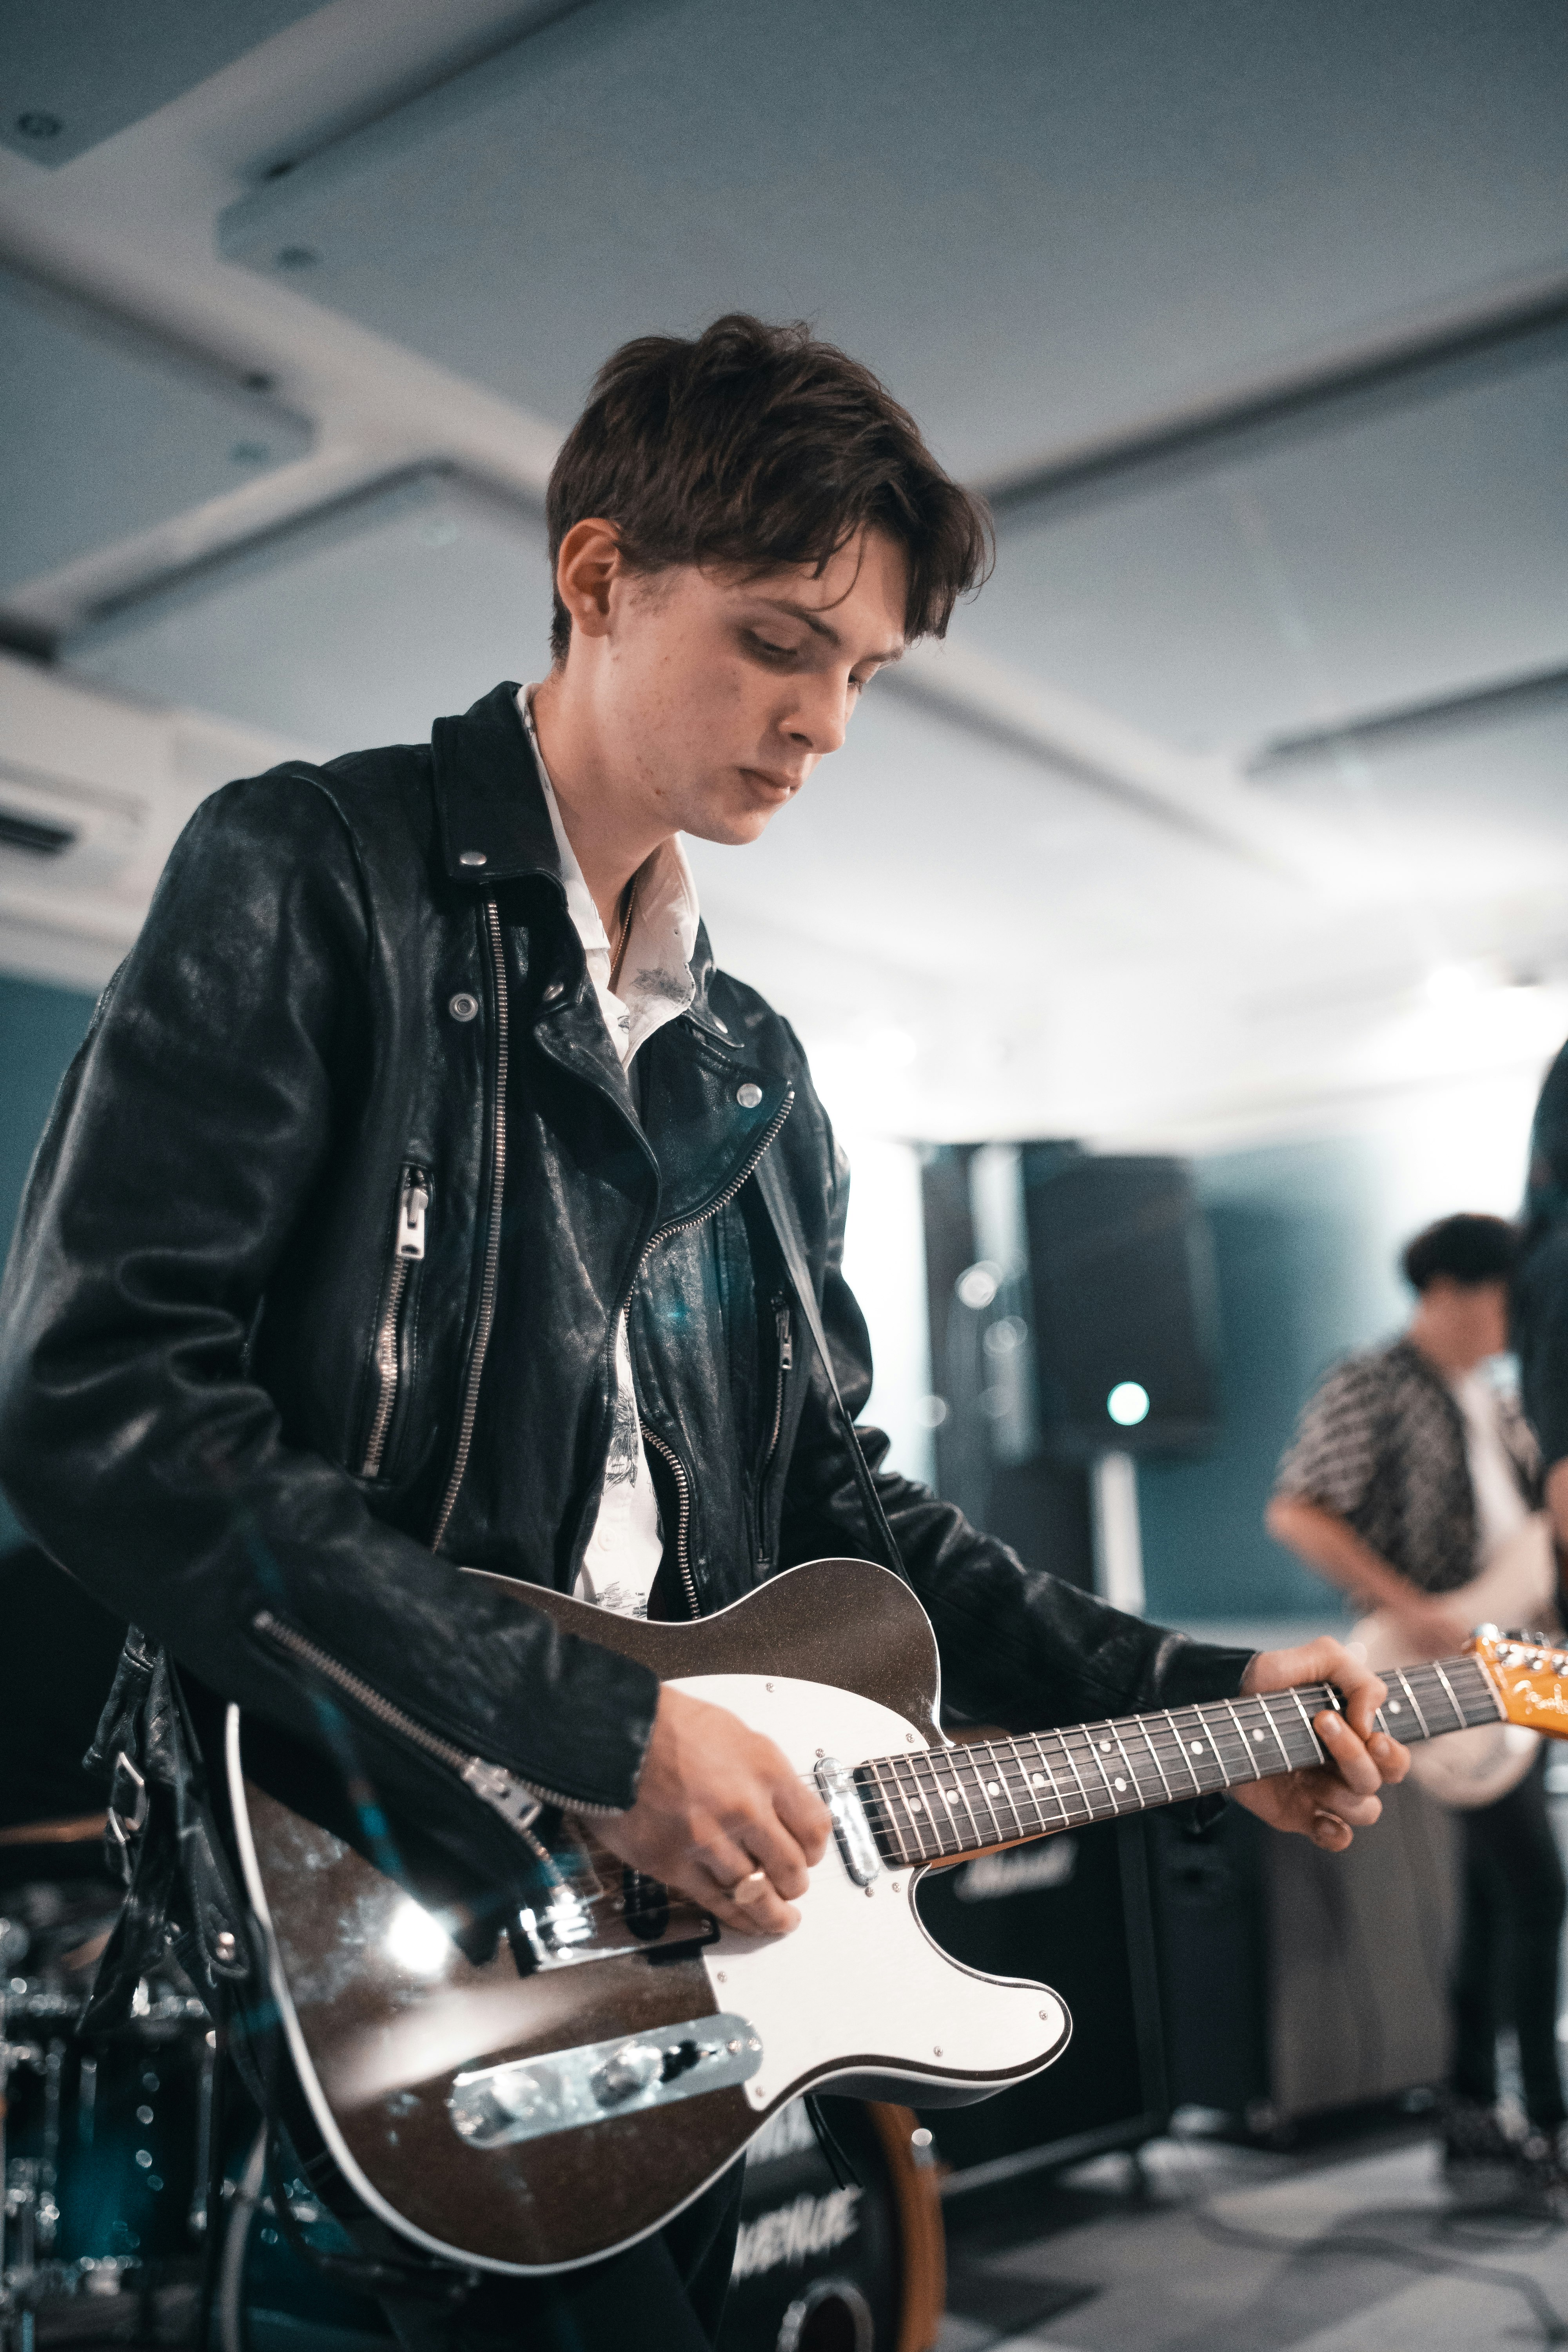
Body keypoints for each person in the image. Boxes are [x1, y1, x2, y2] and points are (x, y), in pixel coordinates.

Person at [0, 314, 1404, 2350]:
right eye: (776, 639)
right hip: (359, 1913)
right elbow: (102, 1410)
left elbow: (847, 1513)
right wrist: (603, 1737)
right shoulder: (310, 874)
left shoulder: (753, 1067)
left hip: (676, 1966)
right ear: (596, 579)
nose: (823, 721)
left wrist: (1207, 1690)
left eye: (860, 673)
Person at [1267, 1212, 1564, 2194]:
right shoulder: (1369, 1382)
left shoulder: (1499, 1401)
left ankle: (1476, 2112)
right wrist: (1413, 1611)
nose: (1512, 1317)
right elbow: (1296, 1508)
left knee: (1494, 1899)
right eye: (1500, 1296)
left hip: (1519, 1666)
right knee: (1536, 1889)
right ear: (1446, 1288)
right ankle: (1544, 2115)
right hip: (1437, 1668)